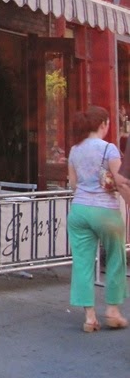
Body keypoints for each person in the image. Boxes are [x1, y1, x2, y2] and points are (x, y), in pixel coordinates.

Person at [67, 105, 128, 332]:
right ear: (103, 124)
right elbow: (121, 180)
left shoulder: (75, 150)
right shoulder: (108, 149)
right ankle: (112, 310)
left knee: (83, 263)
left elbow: (73, 184)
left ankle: (89, 317)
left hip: (80, 209)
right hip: (105, 210)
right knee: (115, 257)